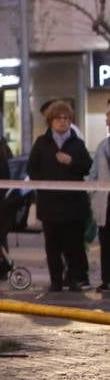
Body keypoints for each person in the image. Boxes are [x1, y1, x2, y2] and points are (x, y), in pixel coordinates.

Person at [26, 100, 93, 292]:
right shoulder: (42, 143)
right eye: (59, 118)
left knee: (74, 245)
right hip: (50, 204)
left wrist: (71, 162)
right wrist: (45, 184)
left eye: (67, 118)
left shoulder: (77, 144)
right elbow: (32, 168)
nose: (63, 122)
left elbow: (88, 167)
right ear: (50, 120)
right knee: (53, 245)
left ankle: (74, 279)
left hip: (73, 205)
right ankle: (55, 280)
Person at [91, 106, 110, 292]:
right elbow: (93, 174)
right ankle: (107, 279)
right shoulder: (103, 146)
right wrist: (92, 195)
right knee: (106, 242)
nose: (106, 120)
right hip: (106, 203)